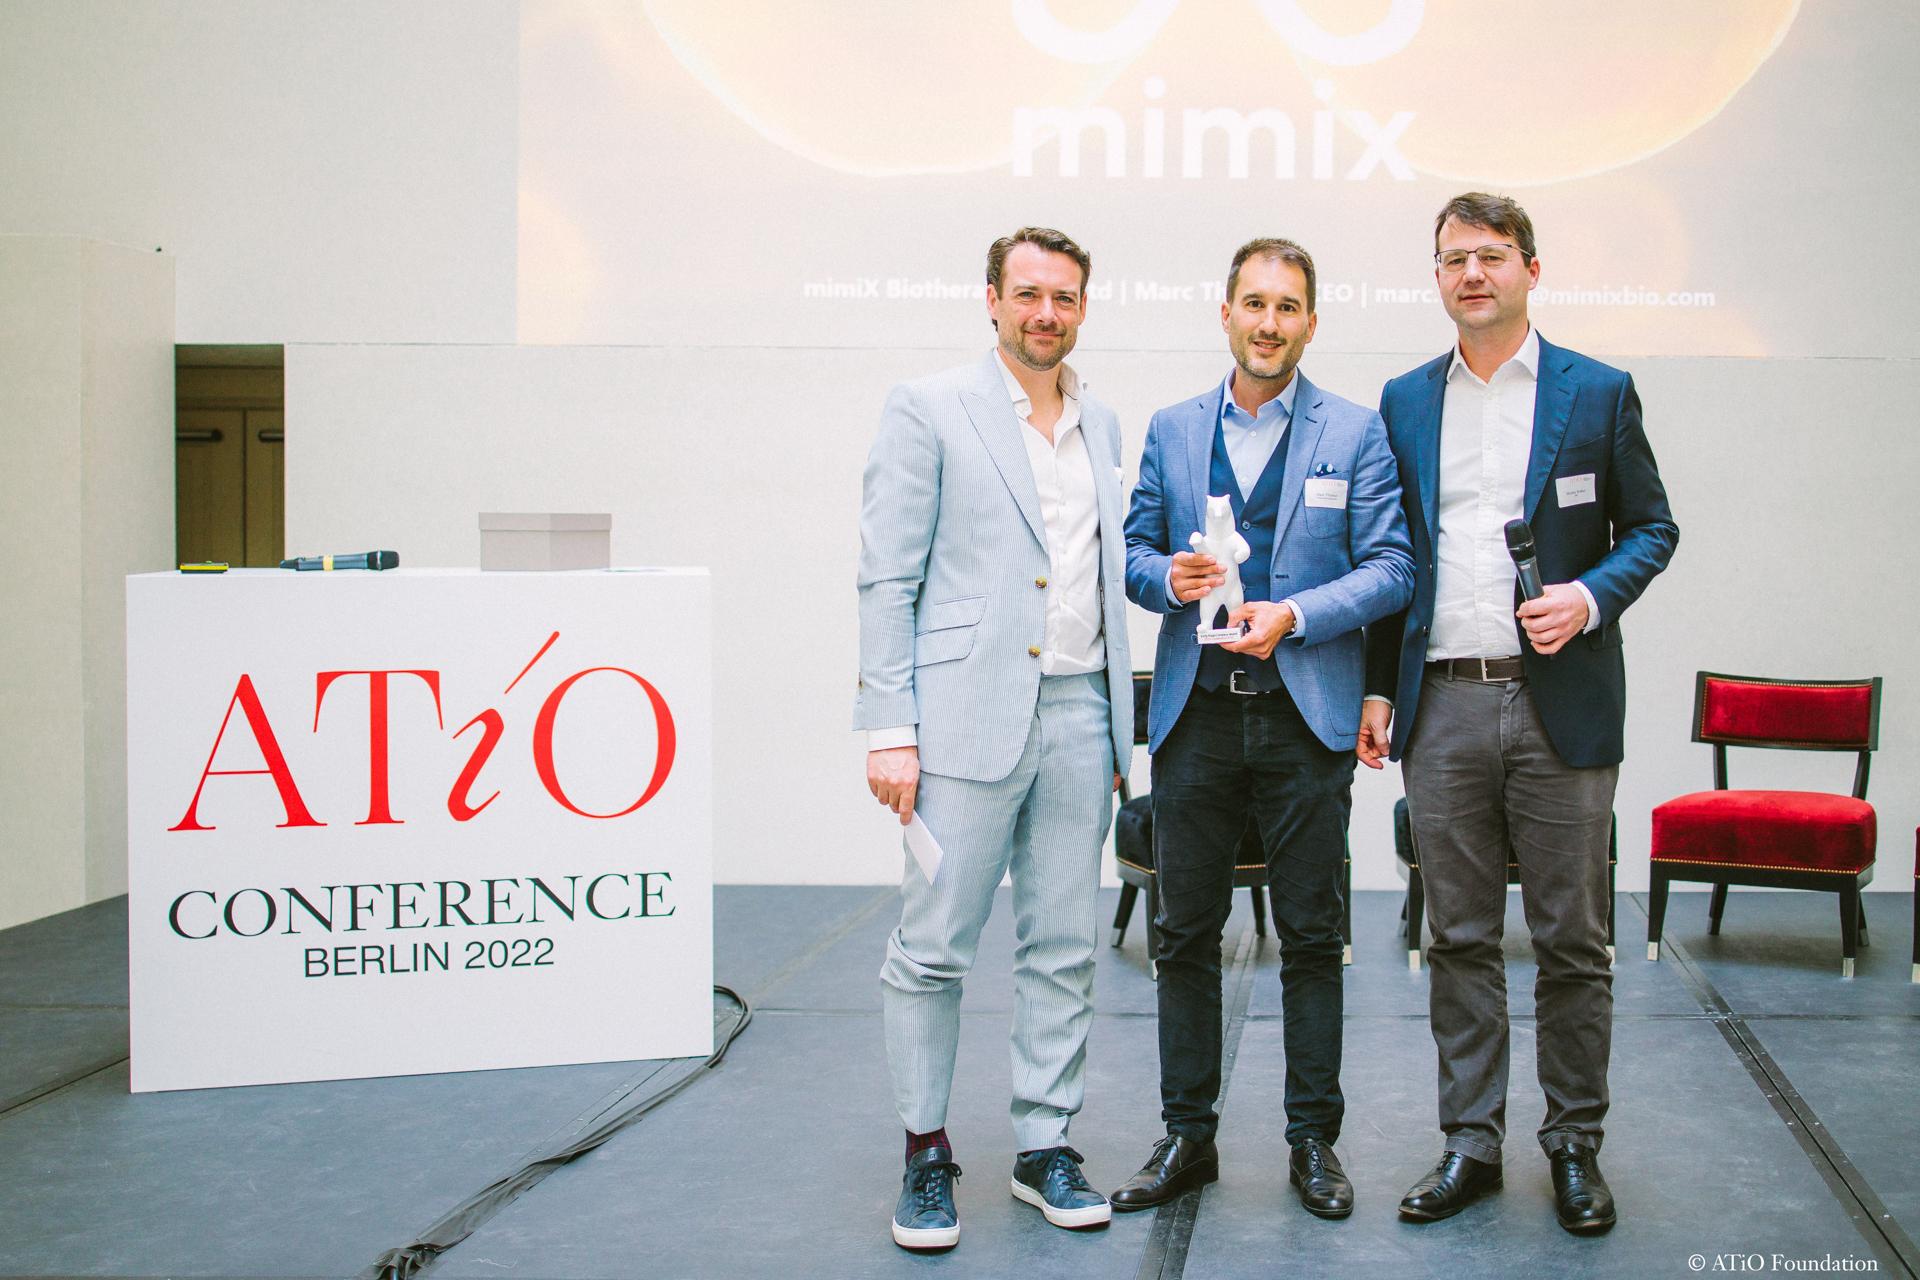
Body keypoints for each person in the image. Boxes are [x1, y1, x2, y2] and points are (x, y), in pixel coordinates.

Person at [1361, 193, 1678, 1233]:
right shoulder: (1406, 400)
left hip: (1561, 705)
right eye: (1454, 258)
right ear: (1436, 277)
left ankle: (1574, 1143)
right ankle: (1471, 1142)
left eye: (1492, 255)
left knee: (1572, 939)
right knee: (1457, 936)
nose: (1472, 274)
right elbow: (1394, 557)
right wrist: (1378, 685)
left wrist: (1588, 597)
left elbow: (1653, 527)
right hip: (1443, 702)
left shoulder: (1598, 392)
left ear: (1531, 270)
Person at [1113, 238, 1412, 1219]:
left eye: (1288, 307)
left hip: (1304, 719)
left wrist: (1297, 614)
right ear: (1226, 312)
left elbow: (1392, 567)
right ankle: (1187, 1136)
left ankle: (1312, 1140)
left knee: (1313, 937)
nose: (1270, 323)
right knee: (1184, 934)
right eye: (1255, 303)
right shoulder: (1172, 429)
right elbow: (1132, 552)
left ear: (1311, 323)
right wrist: (1169, 577)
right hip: (1195, 716)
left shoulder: (1355, 432)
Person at [855, 226, 1133, 1251]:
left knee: (1063, 946)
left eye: (1064, 296)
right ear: (991, 299)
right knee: (933, 949)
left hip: (1080, 714)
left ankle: (1043, 1143)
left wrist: (1120, 725)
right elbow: (887, 577)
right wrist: (890, 727)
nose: (1045, 313)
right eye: (1027, 294)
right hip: (961, 720)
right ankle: (926, 1151)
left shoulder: (1103, 422)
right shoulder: (928, 407)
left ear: (1083, 307)